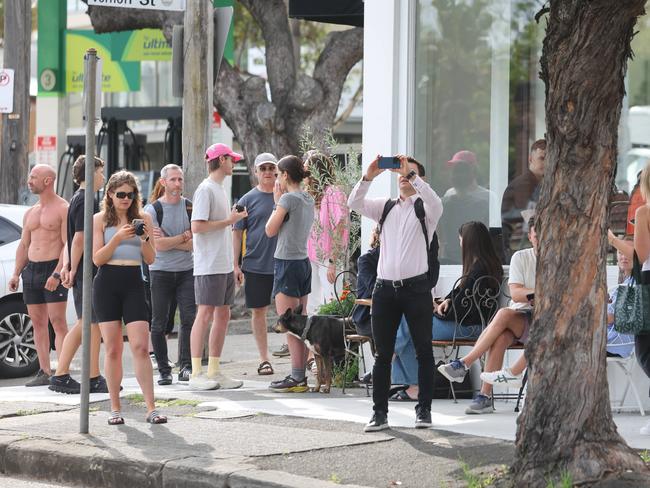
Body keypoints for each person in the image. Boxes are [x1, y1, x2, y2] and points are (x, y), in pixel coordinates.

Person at [348, 154, 443, 432]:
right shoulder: (386, 207)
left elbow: (436, 203)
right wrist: (369, 176)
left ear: (420, 179)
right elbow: (354, 203)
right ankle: (380, 414)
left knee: (424, 351)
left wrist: (412, 175)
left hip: (417, 289)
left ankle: (423, 410)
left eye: (410, 172)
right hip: (385, 290)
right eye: (401, 172)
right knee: (382, 354)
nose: (403, 175)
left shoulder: (426, 210)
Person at [481, 244, 636, 389]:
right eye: (620, 252)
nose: (623, 256)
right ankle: (516, 376)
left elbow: (613, 318)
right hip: (604, 336)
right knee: (549, 332)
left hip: (614, 342)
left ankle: (514, 374)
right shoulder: (625, 282)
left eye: (627, 252)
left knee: (550, 333)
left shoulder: (635, 283)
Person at [391, 221, 503, 401]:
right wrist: (448, 300)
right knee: (409, 326)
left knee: (407, 321)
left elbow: (463, 307)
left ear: (468, 242)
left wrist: (440, 308)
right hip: (473, 324)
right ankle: (407, 376)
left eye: (460, 240)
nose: (459, 244)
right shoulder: (486, 265)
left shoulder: (477, 269)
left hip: (469, 327)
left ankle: (395, 362)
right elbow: (462, 296)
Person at [438, 217, 537, 414]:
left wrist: (533, 293)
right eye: (537, 233)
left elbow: (526, 294)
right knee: (500, 338)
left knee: (503, 314)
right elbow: (516, 293)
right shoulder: (521, 257)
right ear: (530, 236)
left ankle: (465, 364)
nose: (542, 238)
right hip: (521, 317)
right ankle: (483, 397)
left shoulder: (559, 263)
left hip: (541, 321)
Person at [92, 170, 166, 425]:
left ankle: (151, 407)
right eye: (120, 194)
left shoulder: (143, 217)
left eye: (130, 194)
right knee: (113, 348)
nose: (125, 199)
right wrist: (117, 238)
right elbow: (97, 258)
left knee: (140, 347)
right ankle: (115, 407)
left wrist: (145, 237)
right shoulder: (99, 219)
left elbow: (151, 258)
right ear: (110, 194)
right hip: (107, 283)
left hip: (134, 281)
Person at [188, 143, 246, 391]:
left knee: (223, 314)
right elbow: (197, 227)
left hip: (221, 263)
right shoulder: (206, 189)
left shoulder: (219, 189)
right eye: (231, 159)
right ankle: (196, 372)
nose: (234, 163)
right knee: (205, 314)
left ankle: (213, 370)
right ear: (221, 160)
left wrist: (233, 264)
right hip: (208, 263)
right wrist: (229, 220)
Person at [49, 156, 107, 394]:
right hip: (86, 270)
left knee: (92, 325)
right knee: (86, 324)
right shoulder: (86, 200)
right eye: (101, 172)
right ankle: (61, 374)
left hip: (82, 268)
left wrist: (66, 265)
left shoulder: (77, 198)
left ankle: (93, 376)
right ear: (91, 173)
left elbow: (70, 238)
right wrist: (71, 267)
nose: (103, 177)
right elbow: (79, 238)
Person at [8, 165, 69, 387]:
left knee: (58, 322)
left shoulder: (63, 208)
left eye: (34, 177)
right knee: (37, 323)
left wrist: (57, 273)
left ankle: (62, 372)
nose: (29, 180)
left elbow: (67, 245)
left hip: (52, 267)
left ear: (48, 180)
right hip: (31, 270)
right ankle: (45, 371)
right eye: (29, 175)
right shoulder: (30, 212)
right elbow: (24, 246)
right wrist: (16, 272)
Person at [265, 155, 315, 393]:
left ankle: (297, 376)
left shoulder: (287, 198)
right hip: (303, 262)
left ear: (285, 175)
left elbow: (270, 230)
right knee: (301, 321)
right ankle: (300, 374)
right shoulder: (308, 198)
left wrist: (277, 203)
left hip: (286, 262)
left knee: (290, 322)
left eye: (278, 175)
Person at [144, 164, 195, 385]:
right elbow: (159, 246)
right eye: (173, 179)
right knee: (159, 322)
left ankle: (186, 366)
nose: (177, 184)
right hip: (160, 271)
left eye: (180, 179)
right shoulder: (152, 210)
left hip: (186, 271)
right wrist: (183, 237)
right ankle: (164, 370)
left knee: (188, 319)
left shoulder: (190, 207)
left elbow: (195, 243)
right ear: (163, 182)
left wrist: (172, 240)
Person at [233, 152, 279, 376]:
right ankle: (264, 359)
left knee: (291, 311)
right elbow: (236, 233)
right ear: (256, 172)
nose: (268, 172)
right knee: (258, 312)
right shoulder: (246, 200)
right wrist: (235, 264)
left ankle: (305, 357)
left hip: (283, 263)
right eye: (264, 169)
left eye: (271, 168)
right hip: (256, 264)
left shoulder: (286, 196)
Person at [304, 152, 349, 313]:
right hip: (311, 256)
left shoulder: (334, 192)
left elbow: (340, 226)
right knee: (312, 303)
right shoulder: (311, 195)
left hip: (328, 257)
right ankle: (315, 338)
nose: (305, 176)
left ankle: (332, 338)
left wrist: (333, 262)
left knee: (331, 301)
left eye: (307, 172)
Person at [438, 151, 491, 264]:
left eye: (462, 169)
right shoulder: (447, 197)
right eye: (455, 170)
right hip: (451, 258)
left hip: (476, 257)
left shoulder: (487, 198)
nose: (458, 174)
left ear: (472, 171)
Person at [501, 139, 546, 262]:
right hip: (518, 245)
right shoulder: (525, 184)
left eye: (549, 158)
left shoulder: (539, 183)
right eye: (542, 158)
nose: (546, 162)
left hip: (526, 241)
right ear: (530, 159)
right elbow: (531, 219)